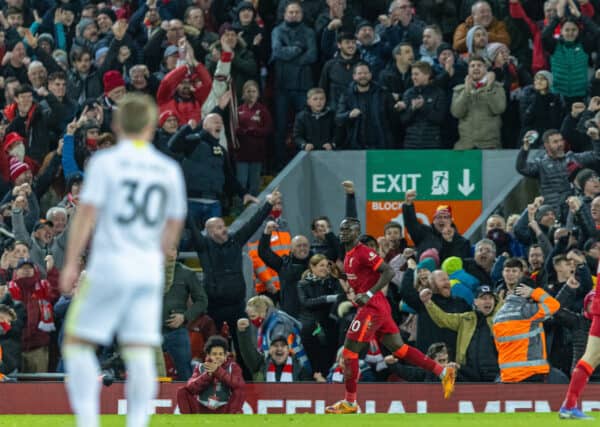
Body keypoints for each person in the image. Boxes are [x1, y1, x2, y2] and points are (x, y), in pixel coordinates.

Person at [59, 93, 187, 427]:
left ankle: (88, 420)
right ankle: (137, 422)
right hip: (145, 268)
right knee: (141, 348)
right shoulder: (168, 169)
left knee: (76, 342)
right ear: (151, 126)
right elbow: (173, 226)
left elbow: (85, 216)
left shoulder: (105, 163)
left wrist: (72, 263)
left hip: (109, 265)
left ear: (116, 126)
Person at [325, 218, 455, 414]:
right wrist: (341, 276)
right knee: (401, 350)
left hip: (372, 307)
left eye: (348, 229)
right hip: (376, 307)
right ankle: (443, 371)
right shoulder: (348, 255)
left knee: (349, 353)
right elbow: (362, 279)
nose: (343, 232)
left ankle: (350, 402)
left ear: (357, 232)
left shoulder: (363, 252)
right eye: (341, 229)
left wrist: (368, 294)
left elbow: (387, 272)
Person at [422, 285, 500, 382]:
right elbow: (443, 319)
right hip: (469, 374)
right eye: (484, 298)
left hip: (494, 374)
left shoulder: (500, 319)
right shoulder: (466, 319)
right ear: (475, 302)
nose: (488, 301)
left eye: (490, 298)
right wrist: (428, 303)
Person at [493, 283, 560, 383]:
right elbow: (554, 305)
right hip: (530, 373)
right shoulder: (527, 311)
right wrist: (534, 292)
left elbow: (498, 346)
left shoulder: (497, 316)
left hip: (507, 375)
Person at [162, 245, 208, 381]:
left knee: (185, 373)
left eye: (172, 249)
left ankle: (188, 401)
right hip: (150, 331)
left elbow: (202, 301)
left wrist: (184, 317)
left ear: (176, 253)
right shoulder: (147, 271)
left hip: (176, 331)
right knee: (149, 372)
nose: (168, 252)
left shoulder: (186, 273)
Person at [176, 335, 244, 414]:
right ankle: (188, 422)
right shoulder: (200, 367)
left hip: (225, 408)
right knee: (182, 391)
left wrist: (218, 371)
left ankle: (231, 420)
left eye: (220, 354)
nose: (218, 357)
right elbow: (191, 388)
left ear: (225, 355)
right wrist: (208, 375)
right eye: (214, 354)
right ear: (208, 355)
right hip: (202, 407)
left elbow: (239, 385)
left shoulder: (233, 367)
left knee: (240, 390)